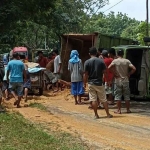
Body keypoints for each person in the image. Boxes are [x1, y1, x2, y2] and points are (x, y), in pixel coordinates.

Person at [83, 47, 113, 119]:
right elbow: (105, 72)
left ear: (89, 54)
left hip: (91, 83)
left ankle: (96, 115)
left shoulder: (87, 62)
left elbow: (85, 74)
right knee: (104, 99)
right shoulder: (101, 61)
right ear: (96, 53)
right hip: (99, 83)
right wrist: (108, 80)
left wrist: (84, 83)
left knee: (93, 99)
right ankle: (108, 114)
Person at [108, 49, 136, 114]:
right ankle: (128, 109)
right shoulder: (127, 61)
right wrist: (129, 74)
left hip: (118, 80)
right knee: (127, 96)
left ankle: (119, 110)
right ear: (123, 54)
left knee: (118, 96)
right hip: (126, 80)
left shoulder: (115, 61)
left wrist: (115, 73)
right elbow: (134, 68)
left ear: (117, 54)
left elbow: (109, 67)